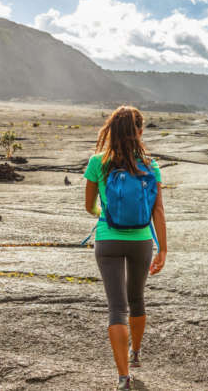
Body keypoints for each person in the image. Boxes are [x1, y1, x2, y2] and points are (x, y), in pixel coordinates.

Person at [84, 106, 168, 391]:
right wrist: (163, 249)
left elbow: (88, 205)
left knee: (116, 308)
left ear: (111, 131)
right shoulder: (151, 165)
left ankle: (123, 377)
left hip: (108, 238)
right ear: (139, 131)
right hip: (142, 240)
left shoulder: (98, 162)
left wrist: (101, 213)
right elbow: (158, 211)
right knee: (137, 298)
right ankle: (135, 354)